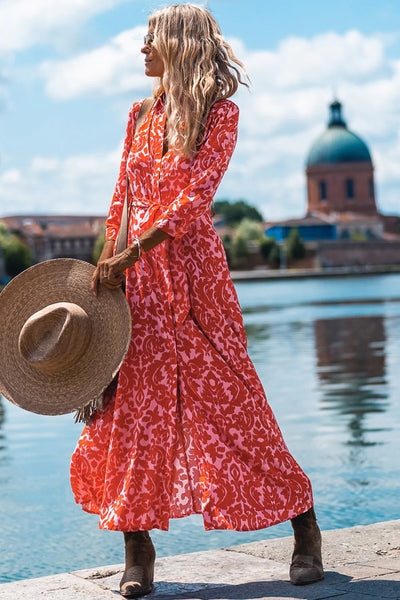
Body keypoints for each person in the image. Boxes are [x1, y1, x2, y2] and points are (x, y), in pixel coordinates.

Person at [70, 4, 324, 597]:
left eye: (150, 39)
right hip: (137, 284)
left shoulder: (220, 114)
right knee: (132, 409)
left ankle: (305, 527)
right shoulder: (138, 115)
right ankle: (138, 550)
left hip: (193, 278)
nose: (141, 50)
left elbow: (193, 199)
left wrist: (136, 252)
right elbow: (122, 200)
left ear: (180, 44)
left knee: (233, 401)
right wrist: (111, 263)